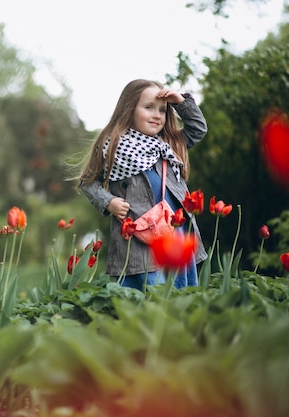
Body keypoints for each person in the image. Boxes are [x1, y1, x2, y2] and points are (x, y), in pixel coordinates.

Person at [77, 79, 208, 290]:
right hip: (139, 238)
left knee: (180, 292)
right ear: (129, 110)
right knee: (150, 292)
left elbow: (197, 129)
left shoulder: (168, 145)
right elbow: (87, 182)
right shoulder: (112, 147)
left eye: (162, 110)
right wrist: (108, 202)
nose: (157, 115)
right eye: (148, 108)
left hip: (175, 233)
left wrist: (179, 102)